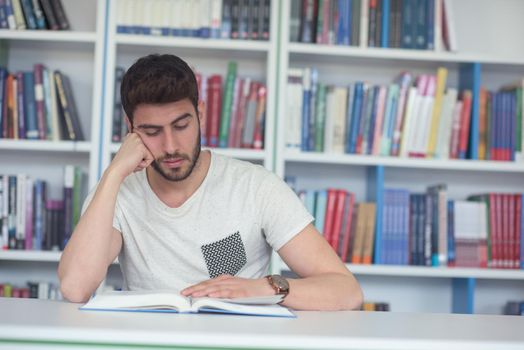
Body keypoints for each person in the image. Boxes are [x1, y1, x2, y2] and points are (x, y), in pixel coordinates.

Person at [58, 54, 363, 310]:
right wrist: (113, 173)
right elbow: (75, 288)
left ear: (200, 114)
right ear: (131, 130)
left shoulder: (256, 187)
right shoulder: (116, 192)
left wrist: (266, 289)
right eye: (151, 132)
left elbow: (346, 291)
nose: (171, 146)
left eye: (181, 125)